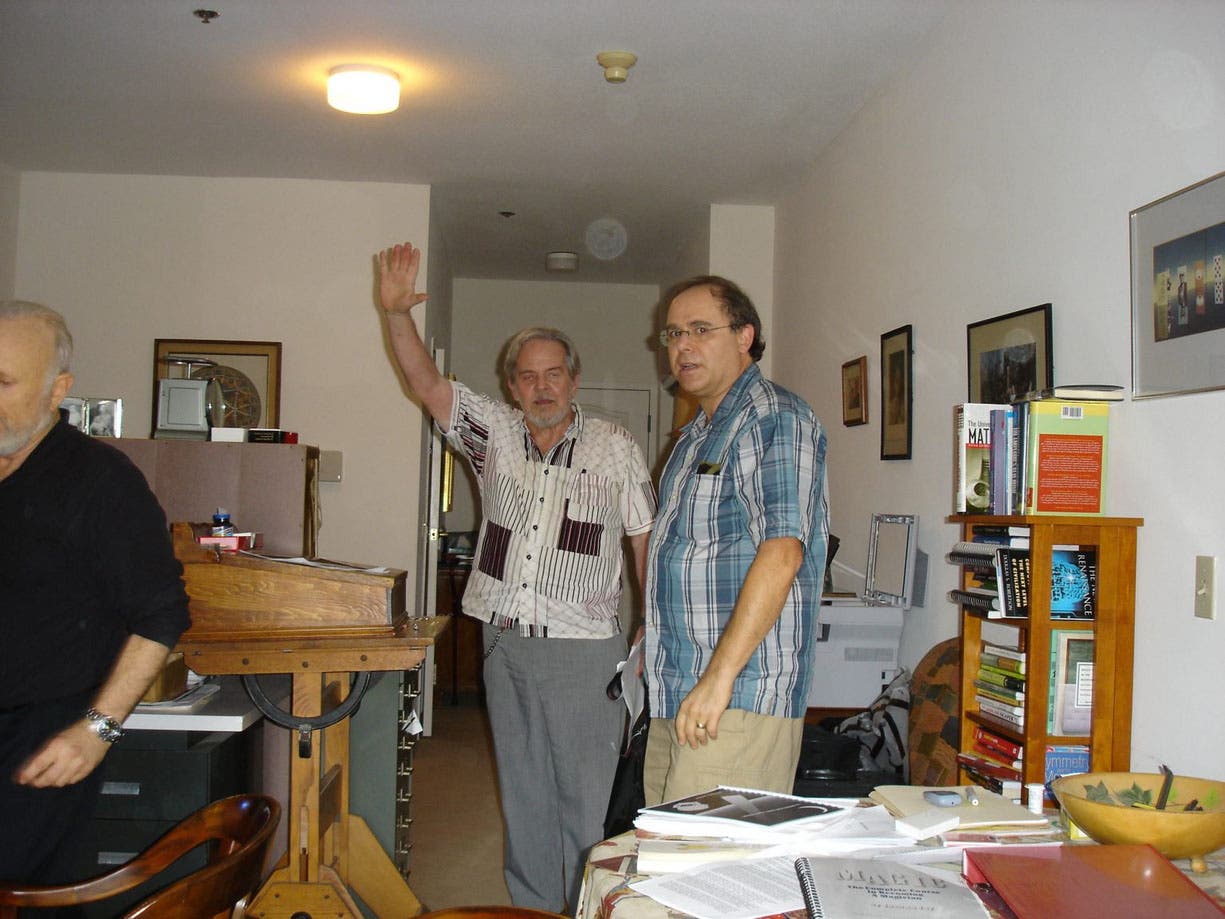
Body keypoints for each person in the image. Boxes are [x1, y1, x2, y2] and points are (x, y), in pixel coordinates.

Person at [374, 242, 656, 911]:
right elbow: (425, 383)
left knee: (585, 795)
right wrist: (393, 314)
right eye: (527, 376)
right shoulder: (491, 435)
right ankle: (534, 905)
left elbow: (643, 537)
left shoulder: (613, 446)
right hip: (503, 643)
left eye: (553, 372)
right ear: (510, 386)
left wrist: (649, 624)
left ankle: (588, 906)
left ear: (574, 380)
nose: (541, 385)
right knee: (524, 788)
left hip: (585, 649)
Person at [0, 301, 191, 888]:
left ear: (57, 389)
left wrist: (96, 730)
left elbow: (161, 612)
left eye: (3, 381)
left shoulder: (98, 480)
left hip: (36, 748)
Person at [643, 275, 829, 805]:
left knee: (707, 868)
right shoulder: (697, 435)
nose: (683, 345)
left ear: (745, 336)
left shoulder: (772, 418)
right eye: (674, 334)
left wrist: (718, 680)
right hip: (679, 686)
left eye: (701, 329)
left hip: (735, 696)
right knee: (661, 852)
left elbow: (782, 551)